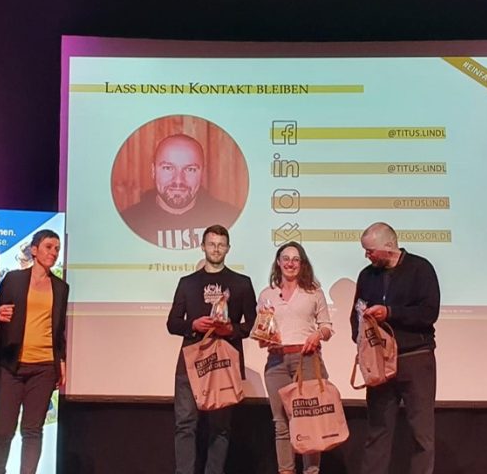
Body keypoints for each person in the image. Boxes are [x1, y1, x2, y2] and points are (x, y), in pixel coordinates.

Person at [350, 222, 441, 474]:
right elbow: (356, 314)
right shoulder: (367, 275)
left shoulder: (420, 268)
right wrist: (362, 341)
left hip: (415, 357)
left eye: (370, 250)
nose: (367, 255)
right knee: (378, 431)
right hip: (380, 362)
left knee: (421, 433)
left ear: (389, 246)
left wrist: (390, 312)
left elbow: (428, 313)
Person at [166, 224, 257, 474]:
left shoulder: (241, 283)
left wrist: (230, 330)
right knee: (185, 424)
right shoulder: (187, 283)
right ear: (202, 246)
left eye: (221, 245)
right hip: (190, 363)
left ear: (228, 248)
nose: (216, 249)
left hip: (223, 363)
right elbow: (172, 323)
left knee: (220, 427)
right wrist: (193, 325)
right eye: (211, 244)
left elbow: (252, 324)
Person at [0, 229, 69, 474]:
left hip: (44, 367)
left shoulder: (61, 287)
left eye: (57, 249)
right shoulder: (14, 279)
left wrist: (62, 361)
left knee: (33, 430)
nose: (53, 253)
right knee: (3, 429)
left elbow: (59, 329)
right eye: (48, 247)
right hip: (11, 365)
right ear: (34, 250)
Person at [257, 241, 333, 474]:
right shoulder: (267, 294)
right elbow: (260, 332)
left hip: (306, 359)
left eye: (295, 259)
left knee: (309, 421)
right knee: (281, 424)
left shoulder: (313, 293)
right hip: (276, 362)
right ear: (278, 263)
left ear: (302, 264)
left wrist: (317, 335)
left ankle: (311, 472)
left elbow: (327, 327)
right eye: (286, 258)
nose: (290, 263)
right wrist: (265, 338)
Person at [120, 134, 241, 249]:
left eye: (190, 169)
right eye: (168, 168)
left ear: (202, 174)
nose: (178, 180)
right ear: (153, 171)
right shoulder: (126, 223)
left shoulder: (232, 219)